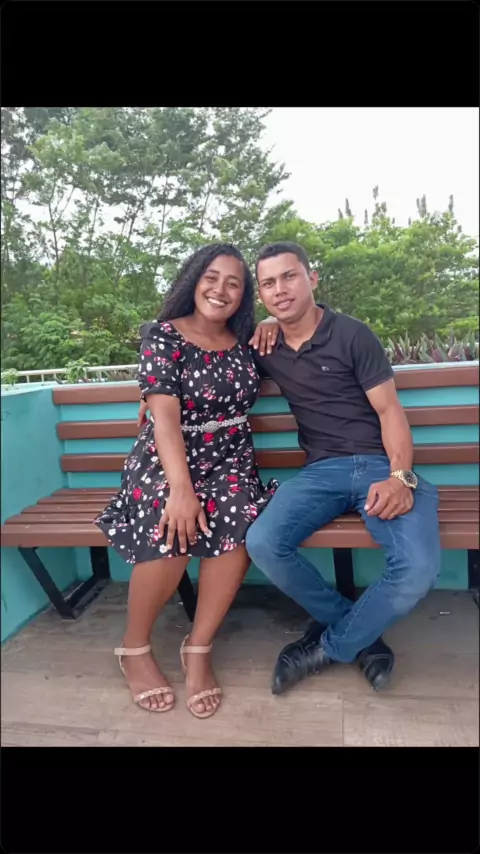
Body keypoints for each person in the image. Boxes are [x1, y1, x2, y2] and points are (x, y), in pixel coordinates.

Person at [244, 241, 441, 695]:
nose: (280, 290)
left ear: (312, 279)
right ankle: (360, 635)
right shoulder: (265, 346)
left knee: (417, 568)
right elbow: (207, 362)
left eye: (289, 276)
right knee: (263, 542)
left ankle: (328, 648)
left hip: (380, 466)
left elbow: (390, 411)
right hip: (321, 472)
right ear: (262, 295)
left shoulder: (353, 334)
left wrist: (400, 478)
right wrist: (151, 395)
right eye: (269, 284)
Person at [96, 243, 278, 718]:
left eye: (234, 283)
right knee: (173, 524)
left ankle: (198, 646)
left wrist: (272, 323)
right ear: (193, 280)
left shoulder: (247, 341)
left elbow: (302, 329)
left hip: (230, 457)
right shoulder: (163, 336)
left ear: (244, 295)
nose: (220, 290)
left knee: (240, 520)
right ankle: (134, 646)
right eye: (211, 278)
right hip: (166, 457)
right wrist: (181, 490)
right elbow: (165, 420)